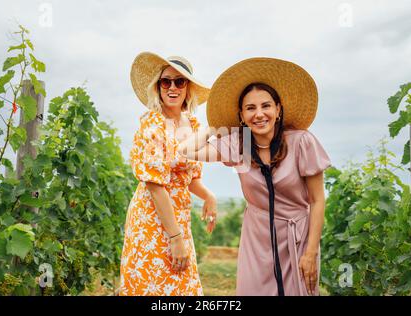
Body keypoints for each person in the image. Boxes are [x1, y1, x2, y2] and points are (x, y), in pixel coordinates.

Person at [178, 57, 331, 296]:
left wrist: (311, 252)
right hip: (257, 239)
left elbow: (317, 200)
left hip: (298, 238)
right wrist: (212, 128)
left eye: (266, 106)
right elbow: (186, 150)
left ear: (278, 109)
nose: (259, 114)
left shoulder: (302, 142)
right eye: (250, 108)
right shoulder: (238, 145)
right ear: (241, 115)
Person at [119, 52, 217, 296]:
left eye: (179, 81)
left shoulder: (193, 125)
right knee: (151, 287)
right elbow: (155, 185)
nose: (172, 87)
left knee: (182, 287)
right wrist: (175, 237)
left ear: (188, 88)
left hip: (178, 219)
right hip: (151, 219)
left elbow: (189, 178)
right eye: (166, 81)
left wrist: (209, 197)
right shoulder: (152, 125)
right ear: (158, 87)